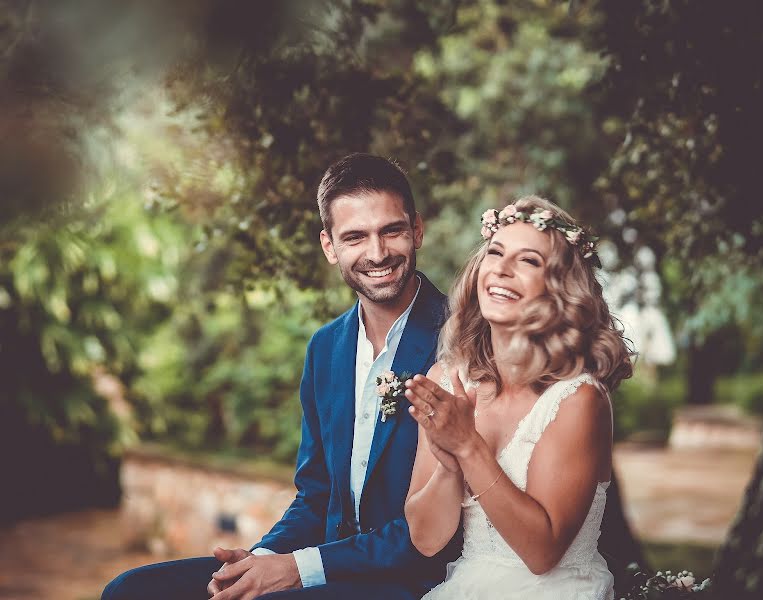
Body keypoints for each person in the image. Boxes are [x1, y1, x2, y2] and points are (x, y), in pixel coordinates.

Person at [102, 153, 460, 600]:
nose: (377, 253)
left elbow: (434, 531)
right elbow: (315, 496)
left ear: (417, 230)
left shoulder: (461, 340)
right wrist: (262, 557)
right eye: (355, 237)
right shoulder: (325, 348)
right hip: (325, 564)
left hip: (408, 579)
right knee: (132, 590)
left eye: (391, 230)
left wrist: (295, 569)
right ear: (330, 246)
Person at [404, 196, 633, 599]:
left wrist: (467, 446)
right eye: (495, 252)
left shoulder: (578, 399)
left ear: (560, 288)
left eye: (528, 261)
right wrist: (447, 466)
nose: (503, 270)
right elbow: (426, 539)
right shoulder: (448, 379)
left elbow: (542, 553)